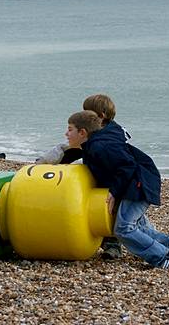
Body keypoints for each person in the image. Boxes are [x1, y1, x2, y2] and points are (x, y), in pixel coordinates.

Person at [67, 110, 169, 269]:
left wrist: (113, 192)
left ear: (82, 132)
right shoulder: (92, 146)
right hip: (136, 181)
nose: (66, 133)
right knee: (137, 227)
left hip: (140, 183)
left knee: (124, 229)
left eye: (70, 129)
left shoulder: (100, 146)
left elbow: (127, 165)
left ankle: (163, 257)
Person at [36, 94, 127, 259]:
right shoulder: (95, 133)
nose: (85, 115)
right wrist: (43, 166)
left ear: (100, 117)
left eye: (88, 112)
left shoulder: (110, 135)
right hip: (97, 173)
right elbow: (72, 150)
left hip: (112, 179)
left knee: (110, 210)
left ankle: (113, 245)